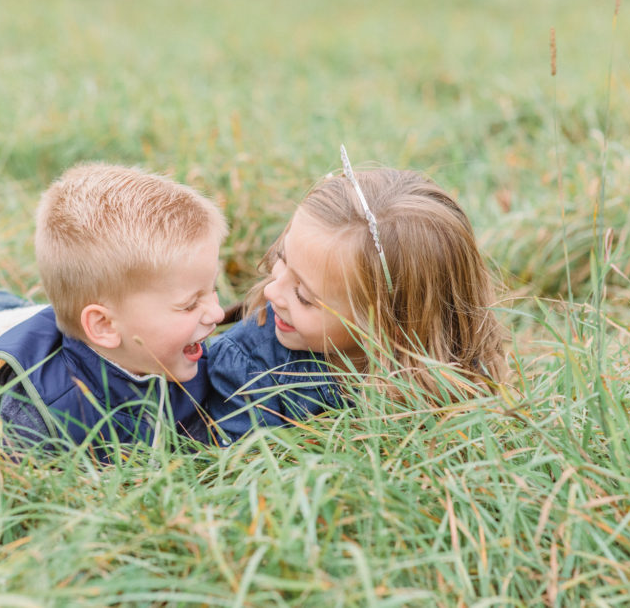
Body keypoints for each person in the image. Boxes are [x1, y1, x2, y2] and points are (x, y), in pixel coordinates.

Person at [0, 162, 227, 458]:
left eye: (211, 290)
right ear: (104, 325)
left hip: (34, 321)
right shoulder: (39, 410)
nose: (216, 313)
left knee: (22, 311)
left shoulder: (180, 352)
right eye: (189, 304)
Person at [206, 146, 506, 443]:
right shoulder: (248, 369)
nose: (272, 291)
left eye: (303, 296)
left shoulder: (446, 369)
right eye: (281, 259)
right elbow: (253, 471)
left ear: (391, 323)